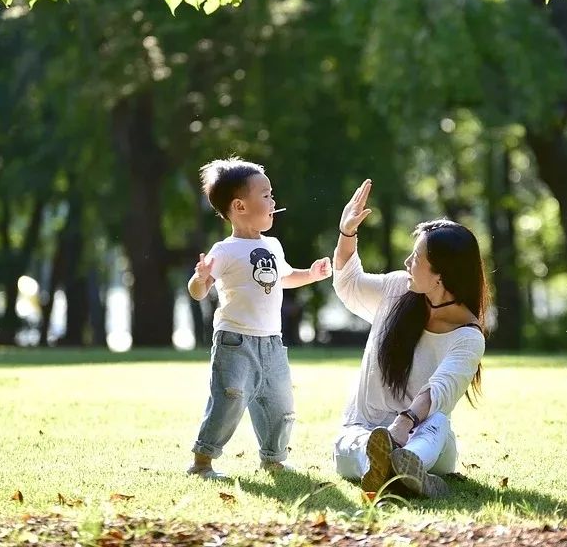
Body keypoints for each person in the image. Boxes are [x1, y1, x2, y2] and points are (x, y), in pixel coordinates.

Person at [331, 179, 488, 497]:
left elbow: (439, 390)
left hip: (424, 437)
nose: (407, 264)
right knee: (358, 442)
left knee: (437, 423)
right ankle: (400, 473)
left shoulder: (468, 336)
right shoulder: (397, 289)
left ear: (440, 275)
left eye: (416, 259)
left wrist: (403, 425)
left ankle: (407, 463)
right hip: (364, 431)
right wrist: (347, 233)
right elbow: (349, 284)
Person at [186, 157, 332, 479]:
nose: (273, 201)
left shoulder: (273, 245)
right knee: (230, 400)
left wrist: (312, 273)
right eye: (265, 196)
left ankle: (274, 457)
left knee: (280, 401)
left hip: (272, 341)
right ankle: (202, 461)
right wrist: (200, 278)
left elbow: (286, 276)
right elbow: (198, 291)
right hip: (235, 342)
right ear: (239, 206)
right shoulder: (224, 251)